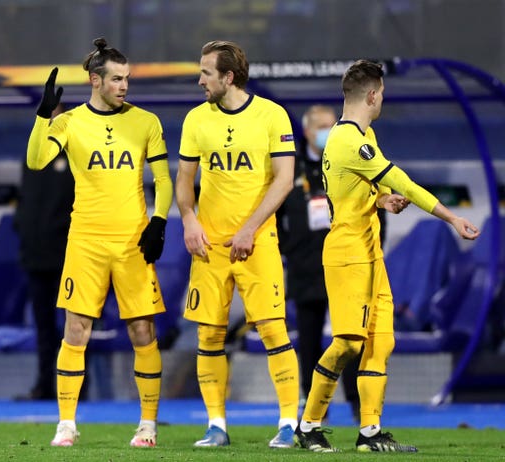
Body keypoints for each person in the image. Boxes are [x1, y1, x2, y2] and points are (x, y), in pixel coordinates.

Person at [294, 59, 480, 453]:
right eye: (382, 95)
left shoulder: (363, 136)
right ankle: (308, 425)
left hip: (370, 253)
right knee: (346, 342)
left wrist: (380, 199)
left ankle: (370, 433)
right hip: (348, 254)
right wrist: (451, 217)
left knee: (381, 341)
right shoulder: (347, 140)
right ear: (373, 95)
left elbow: (354, 188)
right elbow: (402, 179)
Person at [26, 37, 173, 448]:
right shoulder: (70, 122)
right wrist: (42, 114)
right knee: (76, 329)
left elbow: (163, 180)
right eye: (117, 79)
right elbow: (36, 160)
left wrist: (159, 221)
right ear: (95, 80)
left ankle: (148, 424)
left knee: (143, 331)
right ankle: (66, 423)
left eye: (127, 79)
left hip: (132, 243)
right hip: (86, 241)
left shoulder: (146, 121)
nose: (125, 86)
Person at [176, 40, 300, 448]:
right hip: (209, 245)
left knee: (271, 329)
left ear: (228, 77)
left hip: (258, 241)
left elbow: (284, 179)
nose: (200, 80)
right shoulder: (196, 119)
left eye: (206, 73)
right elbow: (184, 182)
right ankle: (217, 425)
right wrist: (190, 220)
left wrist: (250, 227)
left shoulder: (272, 115)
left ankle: (287, 423)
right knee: (208, 336)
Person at [276, 104, 360, 422]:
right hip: (305, 269)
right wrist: (290, 251)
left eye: (333, 124)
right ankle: (314, 414)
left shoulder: (347, 162)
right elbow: (275, 214)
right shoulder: (290, 168)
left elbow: (373, 206)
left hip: (345, 268)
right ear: (309, 131)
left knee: (351, 341)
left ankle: (359, 407)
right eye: (325, 126)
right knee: (308, 343)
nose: (331, 131)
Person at [13, 102, 74, 401]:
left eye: (57, 117)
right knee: (44, 328)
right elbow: (25, 202)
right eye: (47, 117)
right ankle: (44, 384)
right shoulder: (31, 158)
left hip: (68, 256)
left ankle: (75, 388)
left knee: (74, 326)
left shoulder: (77, 157)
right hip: (36, 256)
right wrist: (22, 230)